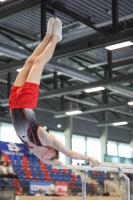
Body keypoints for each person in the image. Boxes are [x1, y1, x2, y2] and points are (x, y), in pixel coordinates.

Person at [9, 17, 99, 167]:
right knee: (38, 62)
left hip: (13, 103)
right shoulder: (48, 140)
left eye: (47, 160)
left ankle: (47, 35)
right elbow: (69, 154)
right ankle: (56, 37)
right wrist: (89, 159)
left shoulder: (32, 148)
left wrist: (51, 162)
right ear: (52, 150)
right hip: (27, 102)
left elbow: (45, 159)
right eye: (50, 157)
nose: (46, 158)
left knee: (29, 62)